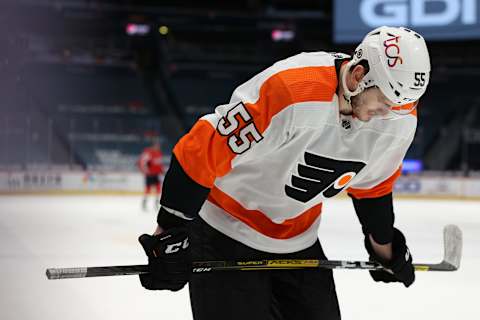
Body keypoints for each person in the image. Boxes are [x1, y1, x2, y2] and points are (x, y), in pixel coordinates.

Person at [138, 26, 431, 320]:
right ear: (358, 77)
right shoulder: (292, 89)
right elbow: (202, 149)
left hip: (298, 240)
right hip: (223, 230)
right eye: (383, 103)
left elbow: (373, 188)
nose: (387, 115)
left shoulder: (398, 118)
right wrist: (170, 231)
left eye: (399, 108)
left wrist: (385, 249)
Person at [137, 139, 164, 211]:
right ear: (153, 146)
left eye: (158, 145)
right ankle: (144, 202)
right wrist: (146, 171)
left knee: (158, 188)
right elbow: (142, 162)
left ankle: (156, 203)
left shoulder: (159, 153)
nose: (158, 147)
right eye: (156, 145)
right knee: (148, 189)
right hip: (149, 174)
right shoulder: (148, 152)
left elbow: (159, 164)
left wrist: (162, 171)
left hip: (156, 174)